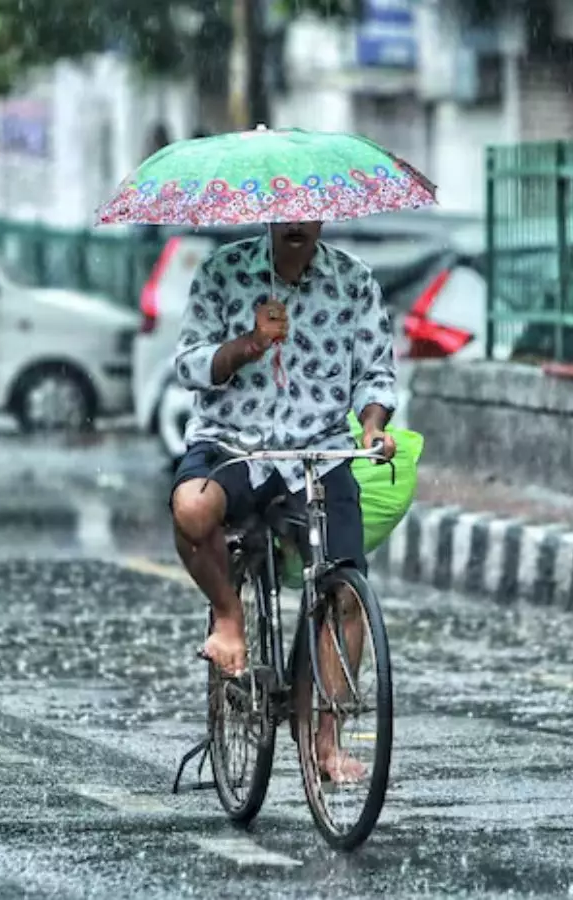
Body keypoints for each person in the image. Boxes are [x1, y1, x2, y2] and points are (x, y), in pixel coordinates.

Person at [169, 221, 399, 783]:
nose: (296, 223)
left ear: (320, 217)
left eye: (308, 212)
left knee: (346, 592)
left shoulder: (354, 280)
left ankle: (326, 740)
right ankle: (228, 618)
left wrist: (372, 429)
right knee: (192, 508)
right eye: (285, 213)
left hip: (318, 455)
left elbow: (376, 377)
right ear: (270, 218)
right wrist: (248, 344)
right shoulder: (223, 272)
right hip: (233, 444)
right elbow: (189, 365)